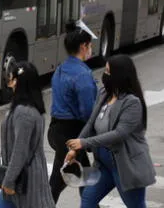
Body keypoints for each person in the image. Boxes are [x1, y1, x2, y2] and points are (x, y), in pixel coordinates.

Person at [66, 55, 156, 208]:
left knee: (135, 205)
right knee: (87, 200)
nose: (104, 74)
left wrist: (84, 142)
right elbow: (90, 123)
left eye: (108, 71)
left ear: (119, 75)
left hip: (125, 166)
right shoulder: (104, 94)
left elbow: (119, 134)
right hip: (104, 165)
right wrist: (75, 148)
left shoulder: (132, 102)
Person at [48, 20, 99, 203]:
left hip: (57, 129)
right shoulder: (82, 75)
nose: (91, 49)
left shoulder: (60, 69)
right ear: (83, 46)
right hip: (73, 133)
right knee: (61, 181)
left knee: (72, 178)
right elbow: (88, 112)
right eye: (90, 45)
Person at [0, 61, 55, 208]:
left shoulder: (24, 112)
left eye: (12, 79)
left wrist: (8, 180)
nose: (10, 83)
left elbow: (20, 151)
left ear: (19, 82)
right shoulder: (30, 108)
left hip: (24, 180)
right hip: (20, 176)